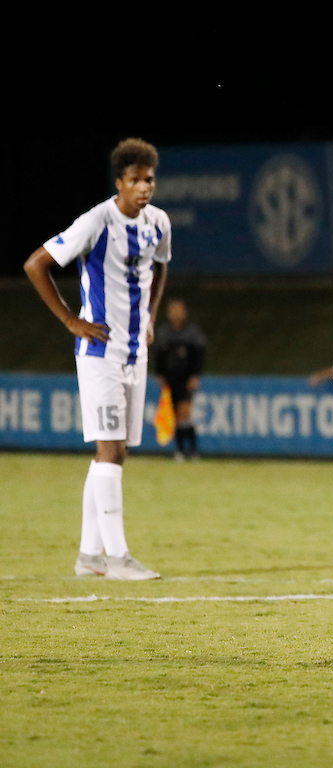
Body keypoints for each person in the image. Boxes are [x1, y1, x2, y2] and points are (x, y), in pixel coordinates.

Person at [23, 138, 170, 580]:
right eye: (135, 180)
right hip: (100, 351)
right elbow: (36, 264)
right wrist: (70, 320)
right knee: (109, 448)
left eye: (149, 179)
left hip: (133, 350)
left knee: (117, 452)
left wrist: (150, 316)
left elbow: (160, 266)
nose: (144, 188)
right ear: (119, 182)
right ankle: (118, 557)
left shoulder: (158, 222)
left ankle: (89, 557)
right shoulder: (97, 220)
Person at [155, 298, 206, 461]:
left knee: (185, 413)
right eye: (172, 309)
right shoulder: (164, 333)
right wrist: (159, 374)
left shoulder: (192, 333)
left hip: (186, 378)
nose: (175, 313)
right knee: (175, 415)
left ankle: (192, 450)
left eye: (178, 309)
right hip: (171, 379)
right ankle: (180, 451)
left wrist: (195, 375)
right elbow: (158, 355)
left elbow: (199, 355)